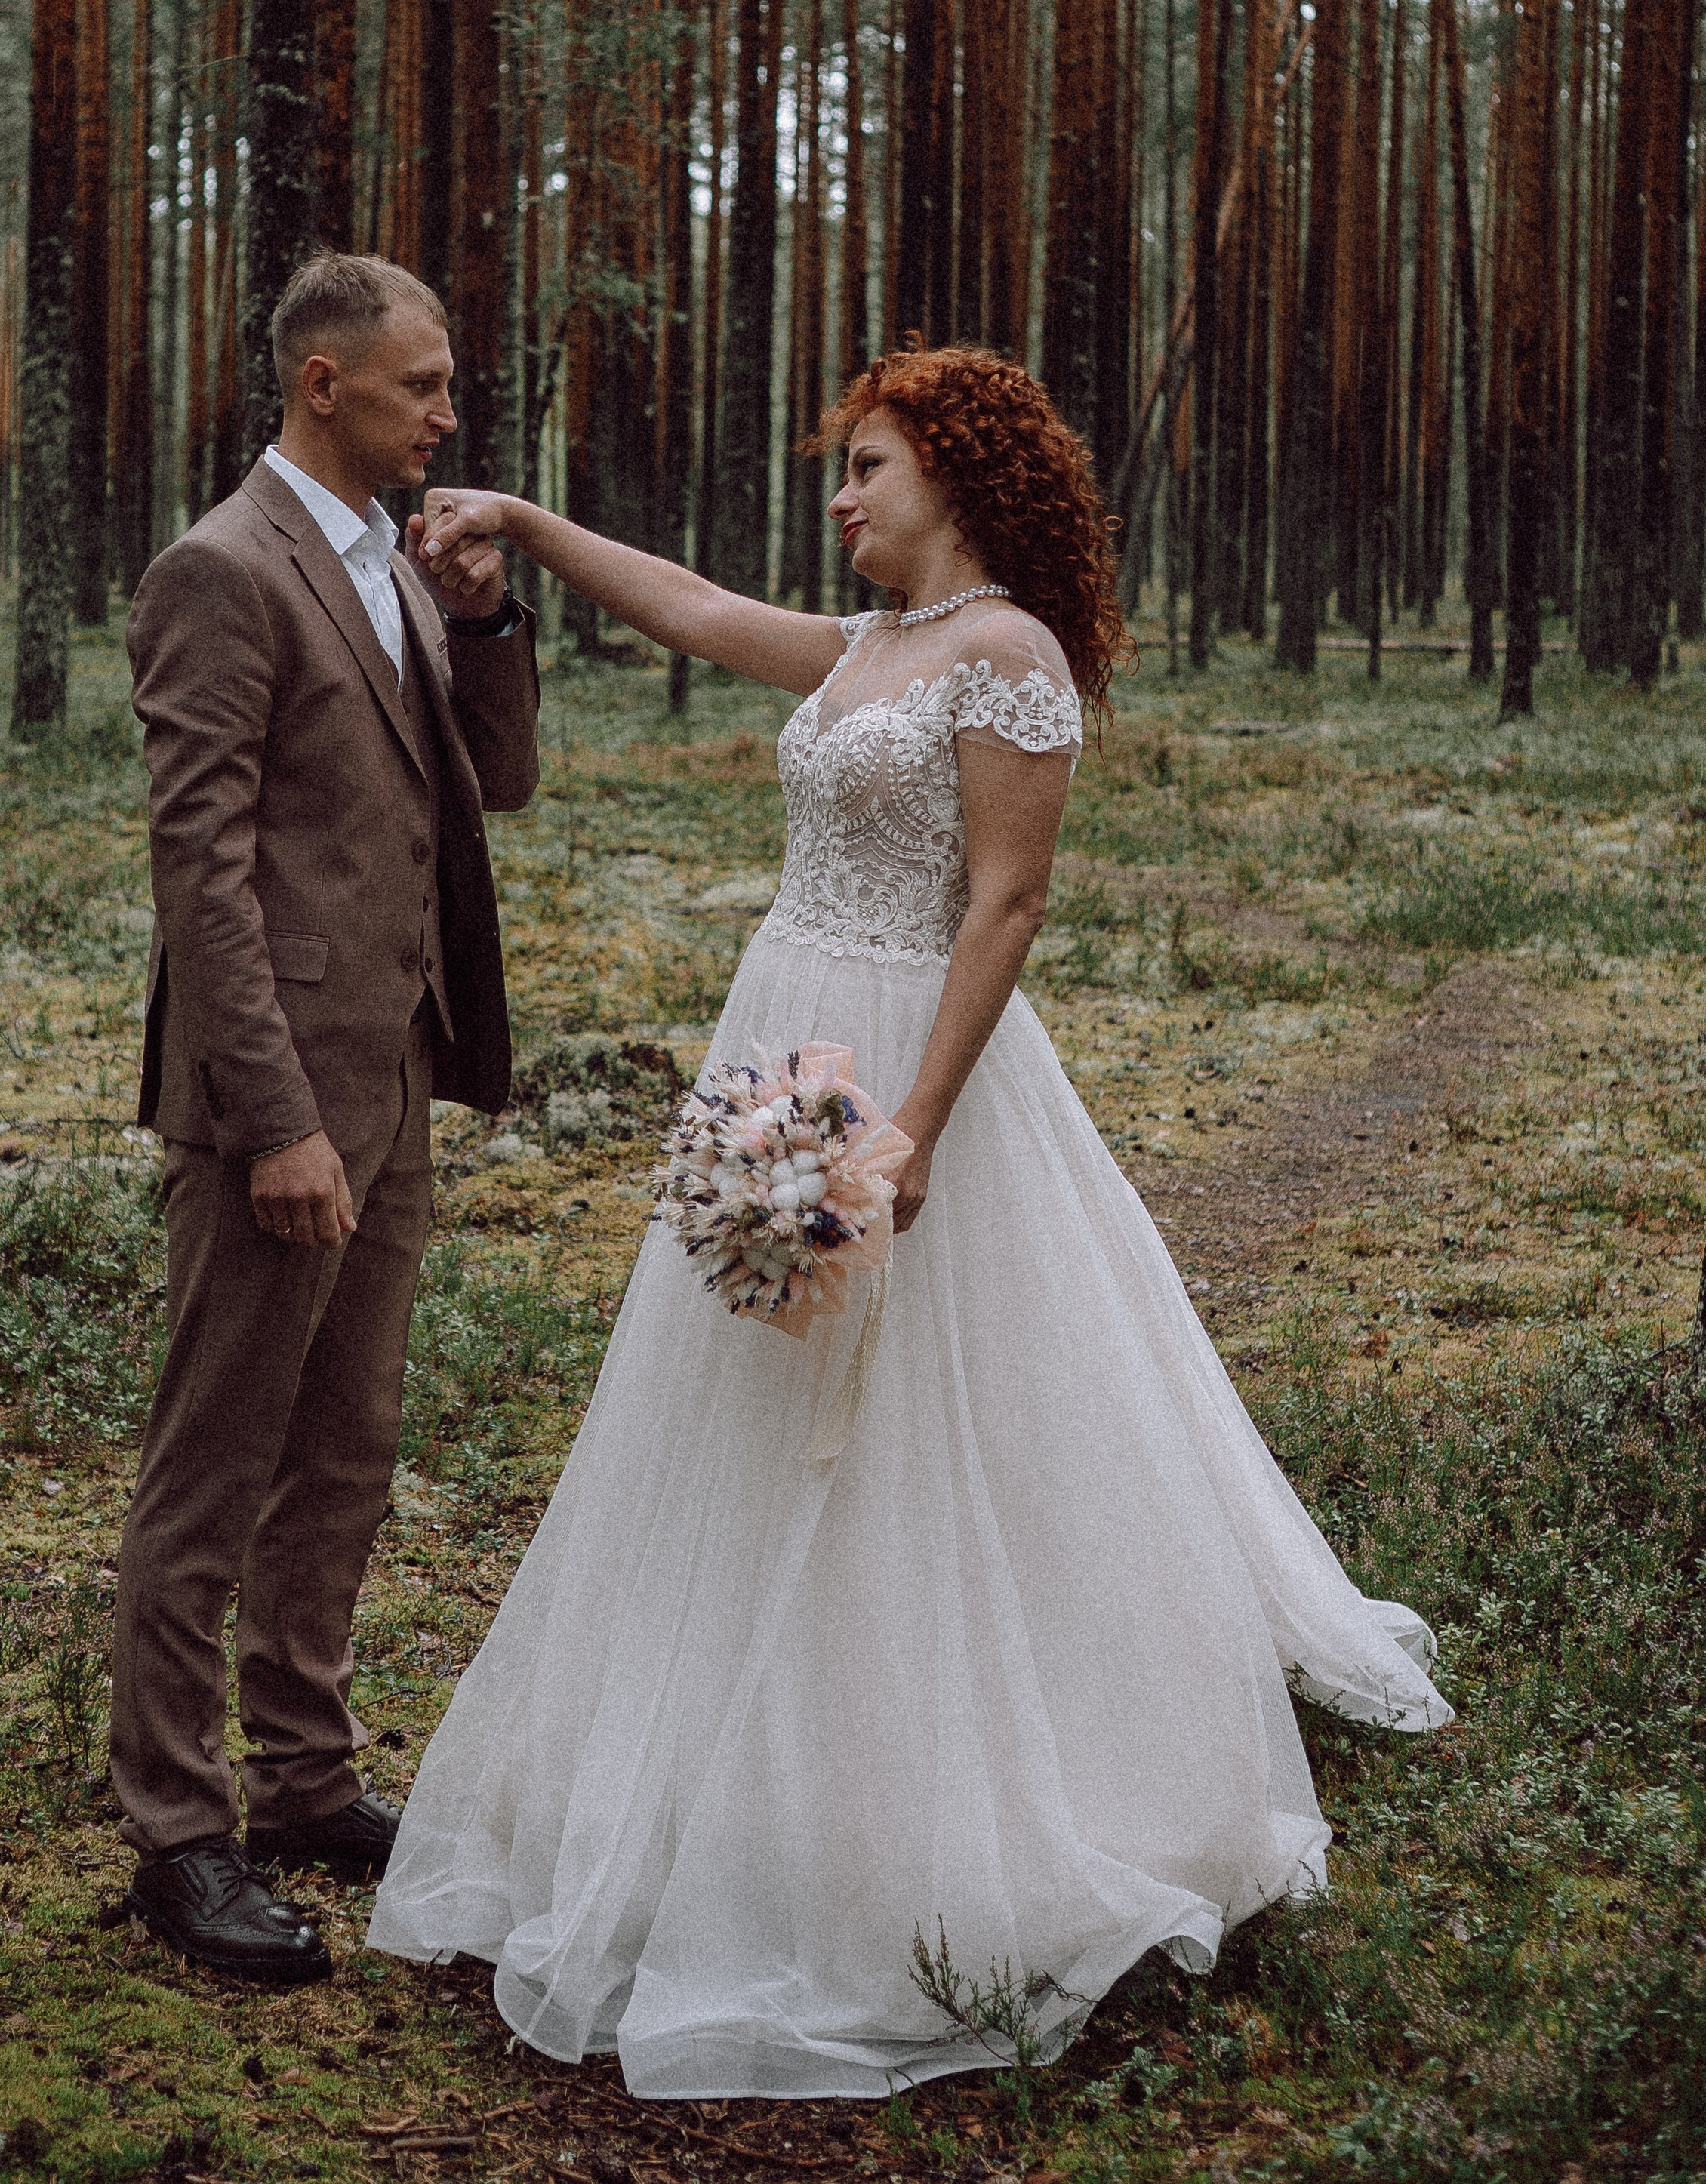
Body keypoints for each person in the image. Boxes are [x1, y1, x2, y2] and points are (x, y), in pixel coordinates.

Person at [368, 342, 1451, 2098]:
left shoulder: (1005, 654)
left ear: (951, 471)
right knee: (746, 1384)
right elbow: (694, 609)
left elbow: (1006, 903)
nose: (841, 496)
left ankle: (931, 1782)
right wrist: (531, 528)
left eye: (866, 464)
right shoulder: (867, 646)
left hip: (906, 1059)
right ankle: (734, 1754)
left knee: (924, 1415)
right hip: (778, 1038)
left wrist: (915, 1129)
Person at [112, 254, 540, 1986]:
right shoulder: (221, 571)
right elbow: (200, 871)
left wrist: (485, 621)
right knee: (212, 1465)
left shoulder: (394, 561)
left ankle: (301, 1778)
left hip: (395, 1075)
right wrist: (274, 1120)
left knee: (346, 1454)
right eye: (420, 384)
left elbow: (496, 783)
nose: (445, 412)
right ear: (321, 383)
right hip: (272, 1104)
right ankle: (175, 1835)